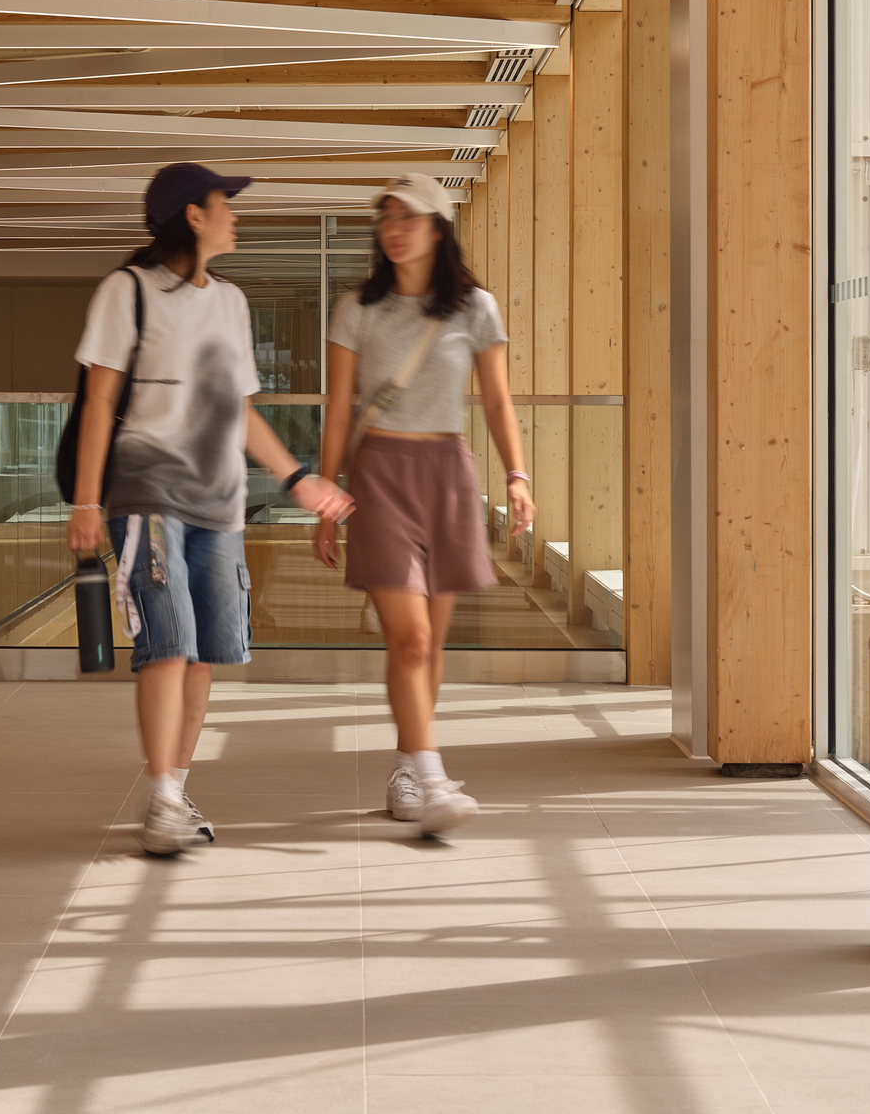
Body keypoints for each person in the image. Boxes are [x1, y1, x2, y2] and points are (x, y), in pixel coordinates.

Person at [68, 162, 353, 856]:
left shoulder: (231, 301)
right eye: (225, 202)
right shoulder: (127, 291)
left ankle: (176, 787)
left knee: (204, 656)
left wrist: (298, 480)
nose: (235, 213)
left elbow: (241, 411)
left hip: (221, 504)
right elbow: (100, 399)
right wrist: (86, 497)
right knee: (167, 644)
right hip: (147, 492)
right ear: (193, 215)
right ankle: (161, 798)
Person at [314, 173, 535, 836]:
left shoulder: (475, 307)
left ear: (439, 228)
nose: (394, 228)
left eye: (409, 217)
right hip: (379, 471)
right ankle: (432, 777)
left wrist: (517, 474)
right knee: (407, 637)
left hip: (448, 472)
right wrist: (327, 496)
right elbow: (339, 409)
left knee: (431, 642)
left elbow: (497, 400)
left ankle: (410, 765)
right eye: (386, 217)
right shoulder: (357, 307)